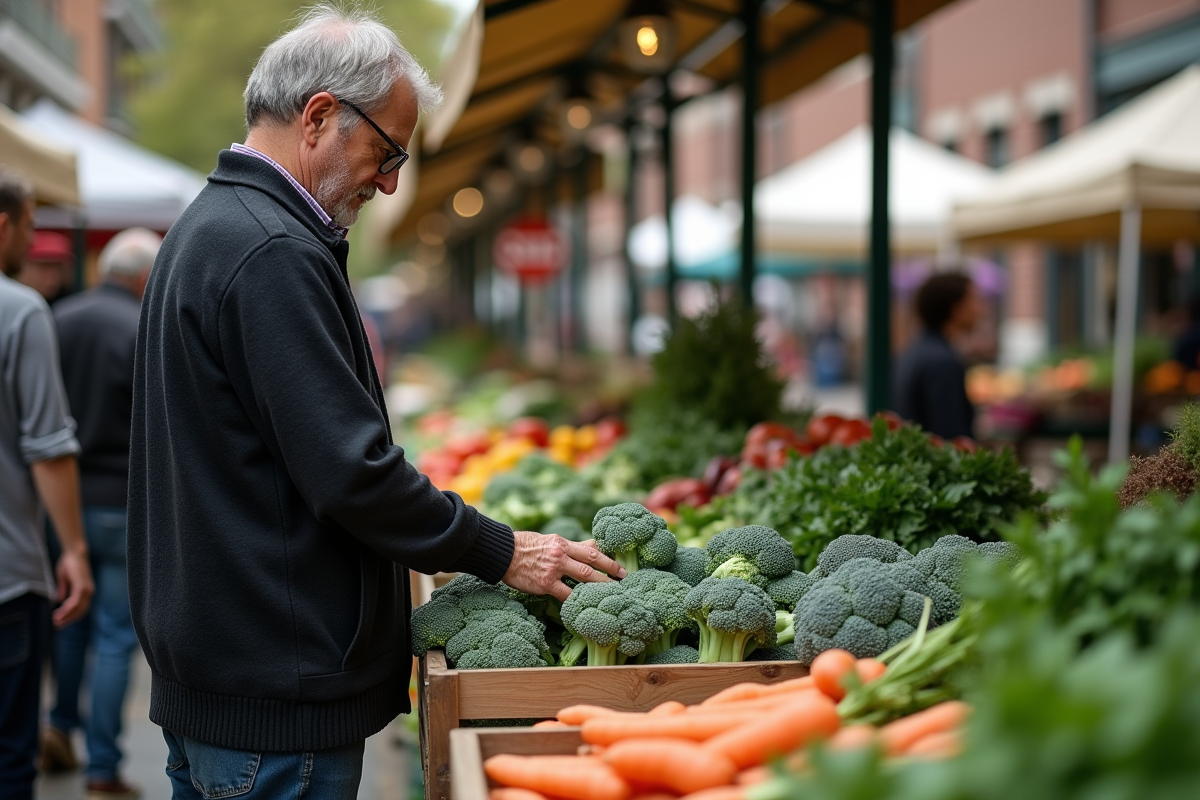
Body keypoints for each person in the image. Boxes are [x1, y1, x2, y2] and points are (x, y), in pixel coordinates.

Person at [128, 7, 624, 799]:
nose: (390, 180)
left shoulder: (210, 226)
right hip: (277, 701)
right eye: (386, 150)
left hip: (225, 685)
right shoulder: (271, 251)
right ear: (320, 116)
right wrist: (503, 550)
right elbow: (350, 474)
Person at [41, 229, 163, 797]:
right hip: (120, 502)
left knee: (70, 621)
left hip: (59, 501)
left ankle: (60, 727)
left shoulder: (58, 319)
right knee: (116, 635)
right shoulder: (141, 328)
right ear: (143, 278)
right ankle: (101, 766)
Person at [0, 168, 94, 800]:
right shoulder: (20, 311)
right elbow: (48, 445)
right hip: (8, 574)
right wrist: (74, 551)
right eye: (30, 226)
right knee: (11, 751)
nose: (31, 243)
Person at [892, 271, 982, 439]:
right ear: (956, 308)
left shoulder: (911, 352)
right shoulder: (943, 363)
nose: (980, 310)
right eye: (975, 301)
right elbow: (951, 437)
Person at [18, 230, 74, 304]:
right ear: (24, 265)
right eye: (44, 267)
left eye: (58, 268)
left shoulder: (68, 304)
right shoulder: (13, 301)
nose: (52, 276)